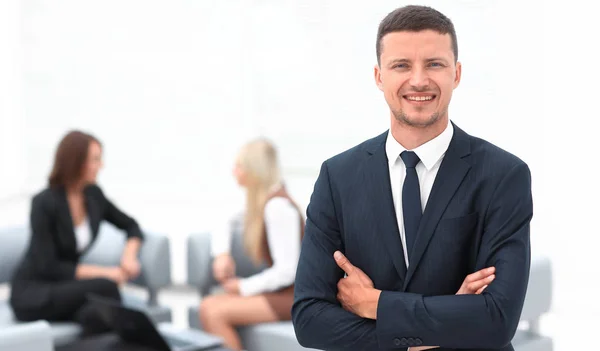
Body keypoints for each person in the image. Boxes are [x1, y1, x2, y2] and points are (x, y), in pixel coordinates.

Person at [292, 5, 531, 351]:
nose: (418, 80)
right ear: (378, 76)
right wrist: (433, 332)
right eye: (401, 65)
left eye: (434, 64)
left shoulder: (504, 175)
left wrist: (376, 304)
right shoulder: (337, 177)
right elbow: (309, 319)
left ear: (457, 73)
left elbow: (496, 319)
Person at [10, 130, 144, 334]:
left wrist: (129, 257)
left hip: (68, 289)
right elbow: (48, 266)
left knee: (94, 315)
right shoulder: (44, 203)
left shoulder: (93, 196)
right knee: (106, 287)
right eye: (96, 160)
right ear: (77, 161)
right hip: (34, 292)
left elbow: (131, 226)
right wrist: (107, 272)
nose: (101, 166)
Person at [199, 139, 304, 351]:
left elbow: (287, 271)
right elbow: (224, 219)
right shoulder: (263, 203)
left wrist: (243, 287)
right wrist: (222, 254)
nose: (234, 172)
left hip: (297, 296)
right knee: (208, 304)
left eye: (239, 167)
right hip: (284, 292)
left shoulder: (277, 208)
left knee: (213, 312)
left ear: (253, 170)